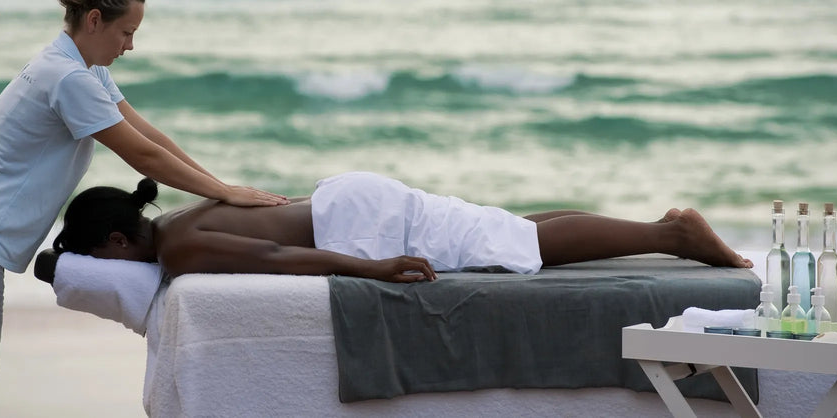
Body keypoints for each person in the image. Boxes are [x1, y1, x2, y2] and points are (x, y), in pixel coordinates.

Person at [0, 0, 288, 418]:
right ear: (94, 20)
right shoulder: (69, 79)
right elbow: (143, 158)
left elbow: (154, 139)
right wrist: (225, 194)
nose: (130, 45)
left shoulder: (81, 70)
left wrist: (220, 189)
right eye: (126, 32)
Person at [53, 171, 753, 283]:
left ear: (119, 242)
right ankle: (659, 228)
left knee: (517, 243)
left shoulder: (180, 248)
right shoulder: (175, 215)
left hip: (360, 224)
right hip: (350, 200)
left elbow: (271, 252)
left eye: (100, 259)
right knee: (498, 230)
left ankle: (670, 237)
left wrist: (376, 268)